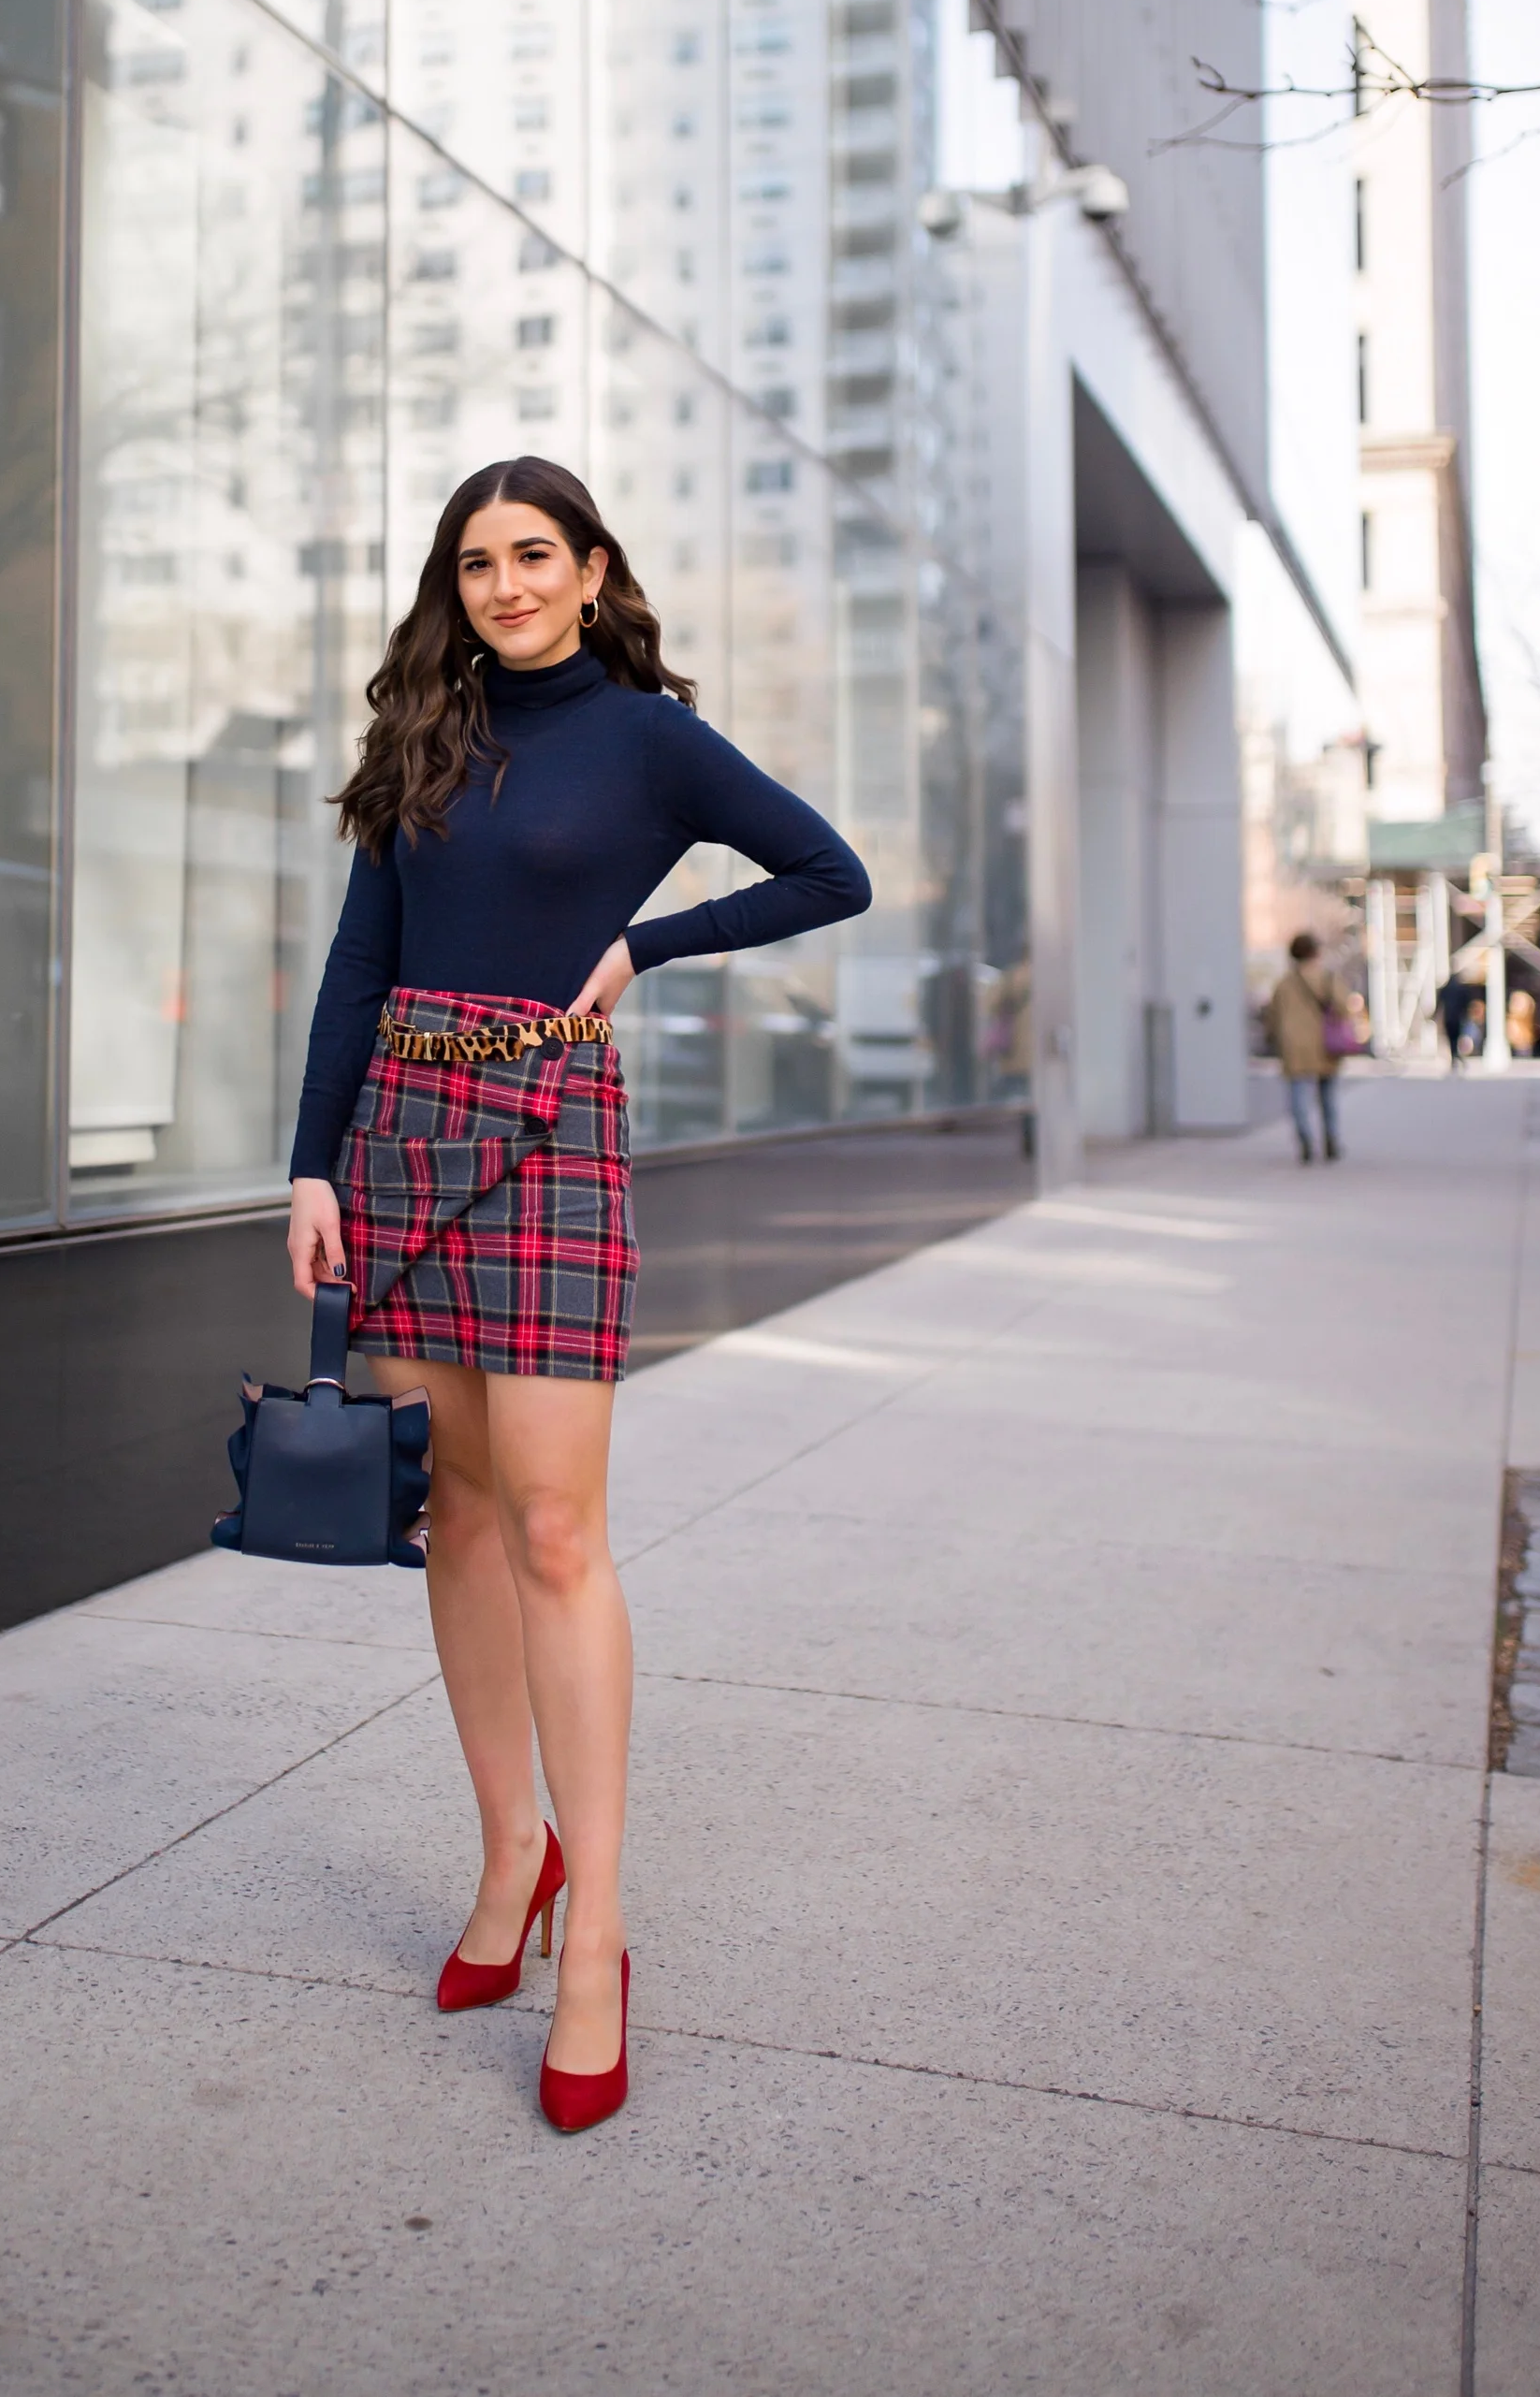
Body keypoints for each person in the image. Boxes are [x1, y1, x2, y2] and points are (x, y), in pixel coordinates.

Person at [285, 456, 870, 2132]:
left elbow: (833, 872)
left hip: (548, 1129)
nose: (505, 585)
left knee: (553, 1529)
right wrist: (312, 1165)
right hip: (400, 1133)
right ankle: (510, 1859)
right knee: (453, 1520)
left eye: (534, 555)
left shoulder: (647, 737)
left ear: (595, 567)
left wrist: (650, 949)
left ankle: (597, 1930)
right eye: (476, 562)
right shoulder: (428, 731)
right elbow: (356, 962)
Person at [1269, 930, 1347, 1161]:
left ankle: (1304, 1137)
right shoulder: (1328, 978)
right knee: (1328, 1095)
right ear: (1316, 952)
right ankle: (1331, 1138)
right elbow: (1343, 1008)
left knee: (1298, 1095)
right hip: (1325, 1045)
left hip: (1294, 1046)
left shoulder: (1284, 983)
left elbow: (1273, 1016)